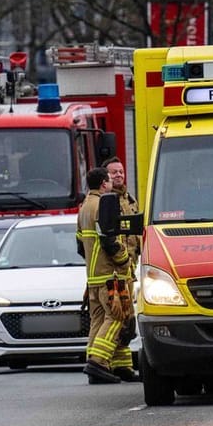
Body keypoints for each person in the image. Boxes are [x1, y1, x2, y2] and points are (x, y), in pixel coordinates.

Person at [77, 167, 133, 384]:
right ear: (103, 183)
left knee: (98, 321)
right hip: (111, 276)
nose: (113, 182)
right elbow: (109, 240)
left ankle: (113, 365)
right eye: (110, 179)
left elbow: (80, 245)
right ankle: (99, 362)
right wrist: (124, 260)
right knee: (117, 317)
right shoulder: (103, 204)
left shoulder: (83, 208)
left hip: (93, 277)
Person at [104, 160, 142, 382]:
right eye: (114, 172)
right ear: (106, 177)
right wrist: (122, 259)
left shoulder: (129, 199)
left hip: (130, 267)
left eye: (121, 171)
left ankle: (122, 366)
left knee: (127, 318)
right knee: (120, 316)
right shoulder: (107, 201)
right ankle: (104, 362)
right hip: (118, 268)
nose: (119, 175)